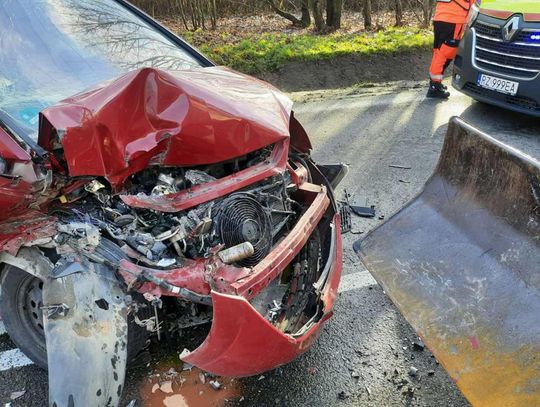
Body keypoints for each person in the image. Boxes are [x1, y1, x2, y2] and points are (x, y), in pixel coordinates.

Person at [427, 0, 472, 99]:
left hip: (440, 16)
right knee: (445, 53)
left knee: (439, 52)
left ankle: (435, 84)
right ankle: (434, 86)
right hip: (454, 18)